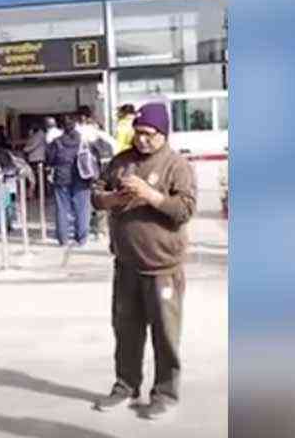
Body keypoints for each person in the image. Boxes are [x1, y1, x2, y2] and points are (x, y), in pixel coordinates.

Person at [90, 103, 197, 420]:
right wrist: (114, 198)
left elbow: (184, 210)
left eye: (149, 134)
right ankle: (126, 386)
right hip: (126, 265)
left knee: (165, 335)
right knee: (126, 331)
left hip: (162, 268)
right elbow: (97, 195)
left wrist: (151, 195)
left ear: (163, 133)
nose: (142, 140)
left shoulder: (177, 165)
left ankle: (165, 393)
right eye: (138, 133)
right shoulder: (121, 161)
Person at [44, 114, 95, 246]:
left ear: (62, 127)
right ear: (75, 125)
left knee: (62, 208)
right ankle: (81, 238)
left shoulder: (57, 142)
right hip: (81, 176)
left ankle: (63, 238)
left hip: (61, 176)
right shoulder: (84, 141)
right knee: (82, 208)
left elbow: (50, 159)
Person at [76, 105, 116, 240]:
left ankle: (85, 227)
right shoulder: (98, 131)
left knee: (84, 199)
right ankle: (100, 229)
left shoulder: (78, 131)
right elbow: (114, 146)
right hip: (100, 169)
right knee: (99, 196)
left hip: (83, 170)